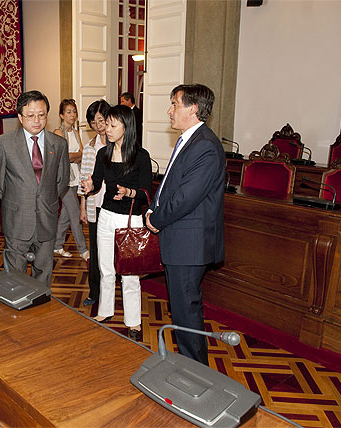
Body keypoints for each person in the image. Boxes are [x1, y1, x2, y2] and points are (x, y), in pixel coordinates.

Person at [146, 84, 225, 366]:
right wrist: (153, 207)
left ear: (193, 109)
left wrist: (156, 219)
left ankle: (195, 372)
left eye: (175, 104)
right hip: (180, 240)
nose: (169, 111)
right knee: (181, 310)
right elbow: (170, 184)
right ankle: (189, 367)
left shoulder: (205, 146)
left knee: (186, 311)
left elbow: (186, 197)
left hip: (189, 244)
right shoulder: (189, 140)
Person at [81, 105, 152, 341]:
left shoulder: (141, 156)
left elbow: (145, 193)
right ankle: (105, 311)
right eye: (106, 124)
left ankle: (134, 322)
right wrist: (90, 186)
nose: (107, 129)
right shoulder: (103, 154)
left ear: (126, 127)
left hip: (130, 220)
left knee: (130, 275)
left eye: (112, 125)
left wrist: (130, 193)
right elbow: (97, 183)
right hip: (106, 216)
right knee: (105, 268)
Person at [0, 90, 70, 287]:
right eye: (30, 115)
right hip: (17, 219)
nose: (36, 120)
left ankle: (40, 305)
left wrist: (44, 199)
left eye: (41, 115)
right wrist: (19, 200)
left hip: (47, 218)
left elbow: (62, 180)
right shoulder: (5, 143)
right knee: (14, 278)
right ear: (20, 117)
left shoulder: (58, 144)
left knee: (43, 274)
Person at [77, 99, 110, 306]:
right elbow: (84, 178)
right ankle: (94, 292)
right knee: (96, 250)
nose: (98, 126)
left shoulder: (119, 145)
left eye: (101, 120)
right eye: (94, 122)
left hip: (114, 207)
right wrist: (83, 206)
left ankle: (113, 289)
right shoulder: (90, 147)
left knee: (113, 250)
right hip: (94, 205)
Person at [53, 99, 89, 261]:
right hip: (64, 180)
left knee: (66, 215)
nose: (72, 115)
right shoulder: (58, 133)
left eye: (74, 111)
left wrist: (74, 156)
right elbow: (63, 157)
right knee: (75, 214)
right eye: (68, 112)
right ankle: (83, 250)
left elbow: (83, 154)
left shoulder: (75, 132)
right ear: (61, 115)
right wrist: (76, 156)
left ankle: (57, 245)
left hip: (76, 177)